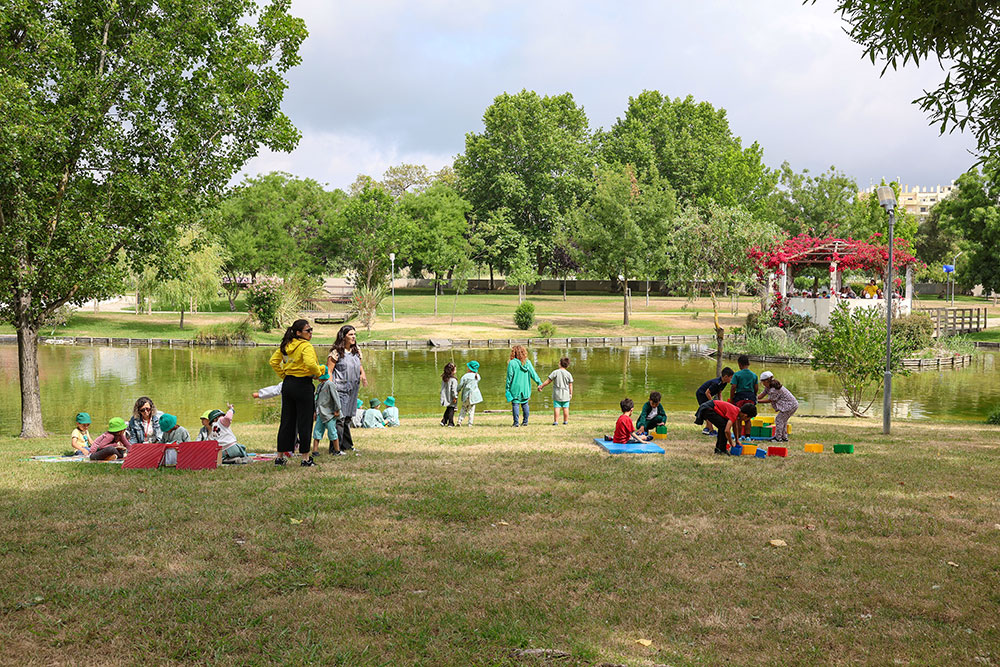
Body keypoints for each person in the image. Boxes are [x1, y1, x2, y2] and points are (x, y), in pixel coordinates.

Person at [269, 319, 322, 466]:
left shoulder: (286, 344)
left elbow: (274, 361)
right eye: (308, 330)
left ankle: (280, 457)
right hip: (303, 384)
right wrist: (317, 374)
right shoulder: (306, 346)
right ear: (299, 333)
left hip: (288, 385)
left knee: (287, 420)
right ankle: (305, 458)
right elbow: (311, 364)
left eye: (311, 330)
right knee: (305, 421)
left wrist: (284, 375)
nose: (311, 333)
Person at [328, 325, 367, 455]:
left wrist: (363, 375)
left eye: (354, 334)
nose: (353, 337)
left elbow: (359, 365)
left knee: (348, 418)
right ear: (343, 336)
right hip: (339, 389)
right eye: (350, 334)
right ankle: (335, 448)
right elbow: (329, 371)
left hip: (353, 389)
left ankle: (347, 445)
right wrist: (331, 388)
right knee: (339, 419)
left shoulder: (357, 351)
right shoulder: (336, 352)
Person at [757, 371, 798, 443]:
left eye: (763, 382)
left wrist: (757, 402)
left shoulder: (774, 389)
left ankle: (778, 438)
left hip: (790, 405)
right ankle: (784, 437)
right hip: (791, 405)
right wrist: (753, 398)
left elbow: (770, 400)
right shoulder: (768, 387)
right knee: (783, 421)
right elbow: (761, 395)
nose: (762, 383)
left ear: (767, 381)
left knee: (779, 420)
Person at [505, 345, 541, 427]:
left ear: (513, 353)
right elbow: (533, 374)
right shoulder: (527, 362)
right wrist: (539, 383)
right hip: (526, 388)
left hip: (515, 387)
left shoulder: (512, 363)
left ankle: (516, 422)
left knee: (515, 404)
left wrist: (507, 388)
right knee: (525, 404)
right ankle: (525, 421)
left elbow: (509, 377)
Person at [695, 367, 733, 436]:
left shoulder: (724, 383)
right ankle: (711, 430)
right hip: (701, 394)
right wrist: (712, 402)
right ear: (726, 377)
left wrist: (721, 402)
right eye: (731, 377)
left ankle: (707, 428)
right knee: (708, 410)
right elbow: (707, 393)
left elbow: (719, 392)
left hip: (707, 394)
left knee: (709, 410)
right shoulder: (716, 383)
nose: (731, 379)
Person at [313, 365, 342, 457]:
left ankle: (337, 450)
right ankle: (315, 450)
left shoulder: (330, 385)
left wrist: (337, 409)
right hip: (320, 413)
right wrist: (315, 411)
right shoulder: (319, 386)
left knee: (332, 431)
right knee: (317, 431)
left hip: (329, 414)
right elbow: (316, 399)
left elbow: (336, 397)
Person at [537, 357, 574, 425]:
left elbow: (548, 381)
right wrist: (571, 393)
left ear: (559, 363)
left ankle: (556, 421)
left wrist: (541, 386)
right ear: (567, 365)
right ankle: (565, 421)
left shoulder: (555, 372)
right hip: (566, 393)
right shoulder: (568, 374)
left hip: (557, 393)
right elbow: (570, 385)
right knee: (566, 408)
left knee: (557, 407)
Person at [729, 355, 758, 439]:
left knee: (739, 417)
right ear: (748, 364)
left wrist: (732, 398)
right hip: (750, 396)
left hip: (740, 397)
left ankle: (738, 436)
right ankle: (748, 436)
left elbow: (733, 386)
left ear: (739, 364)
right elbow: (756, 388)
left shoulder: (737, 374)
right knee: (748, 417)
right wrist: (754, 395)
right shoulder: (754, 375)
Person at [456, 361, 483, 427]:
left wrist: (457, 390)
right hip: (474, 396)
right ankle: (470, 423)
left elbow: (461, 385)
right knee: (471, 410)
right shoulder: (477, 376)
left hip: (466, 395)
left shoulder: (465, 376)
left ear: (470, 368)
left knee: (464, 408)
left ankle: (459, 421)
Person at [440, 362, 458, 427]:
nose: (456, 371)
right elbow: (453, 390)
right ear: (452, 371)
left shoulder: (444, 378)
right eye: (455, 370)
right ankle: (451, 423)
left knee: (449, 408)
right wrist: (455, 397)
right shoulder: (453, 380)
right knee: (451, 409)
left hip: (445, 397)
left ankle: (444, 421)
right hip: (451, 397)